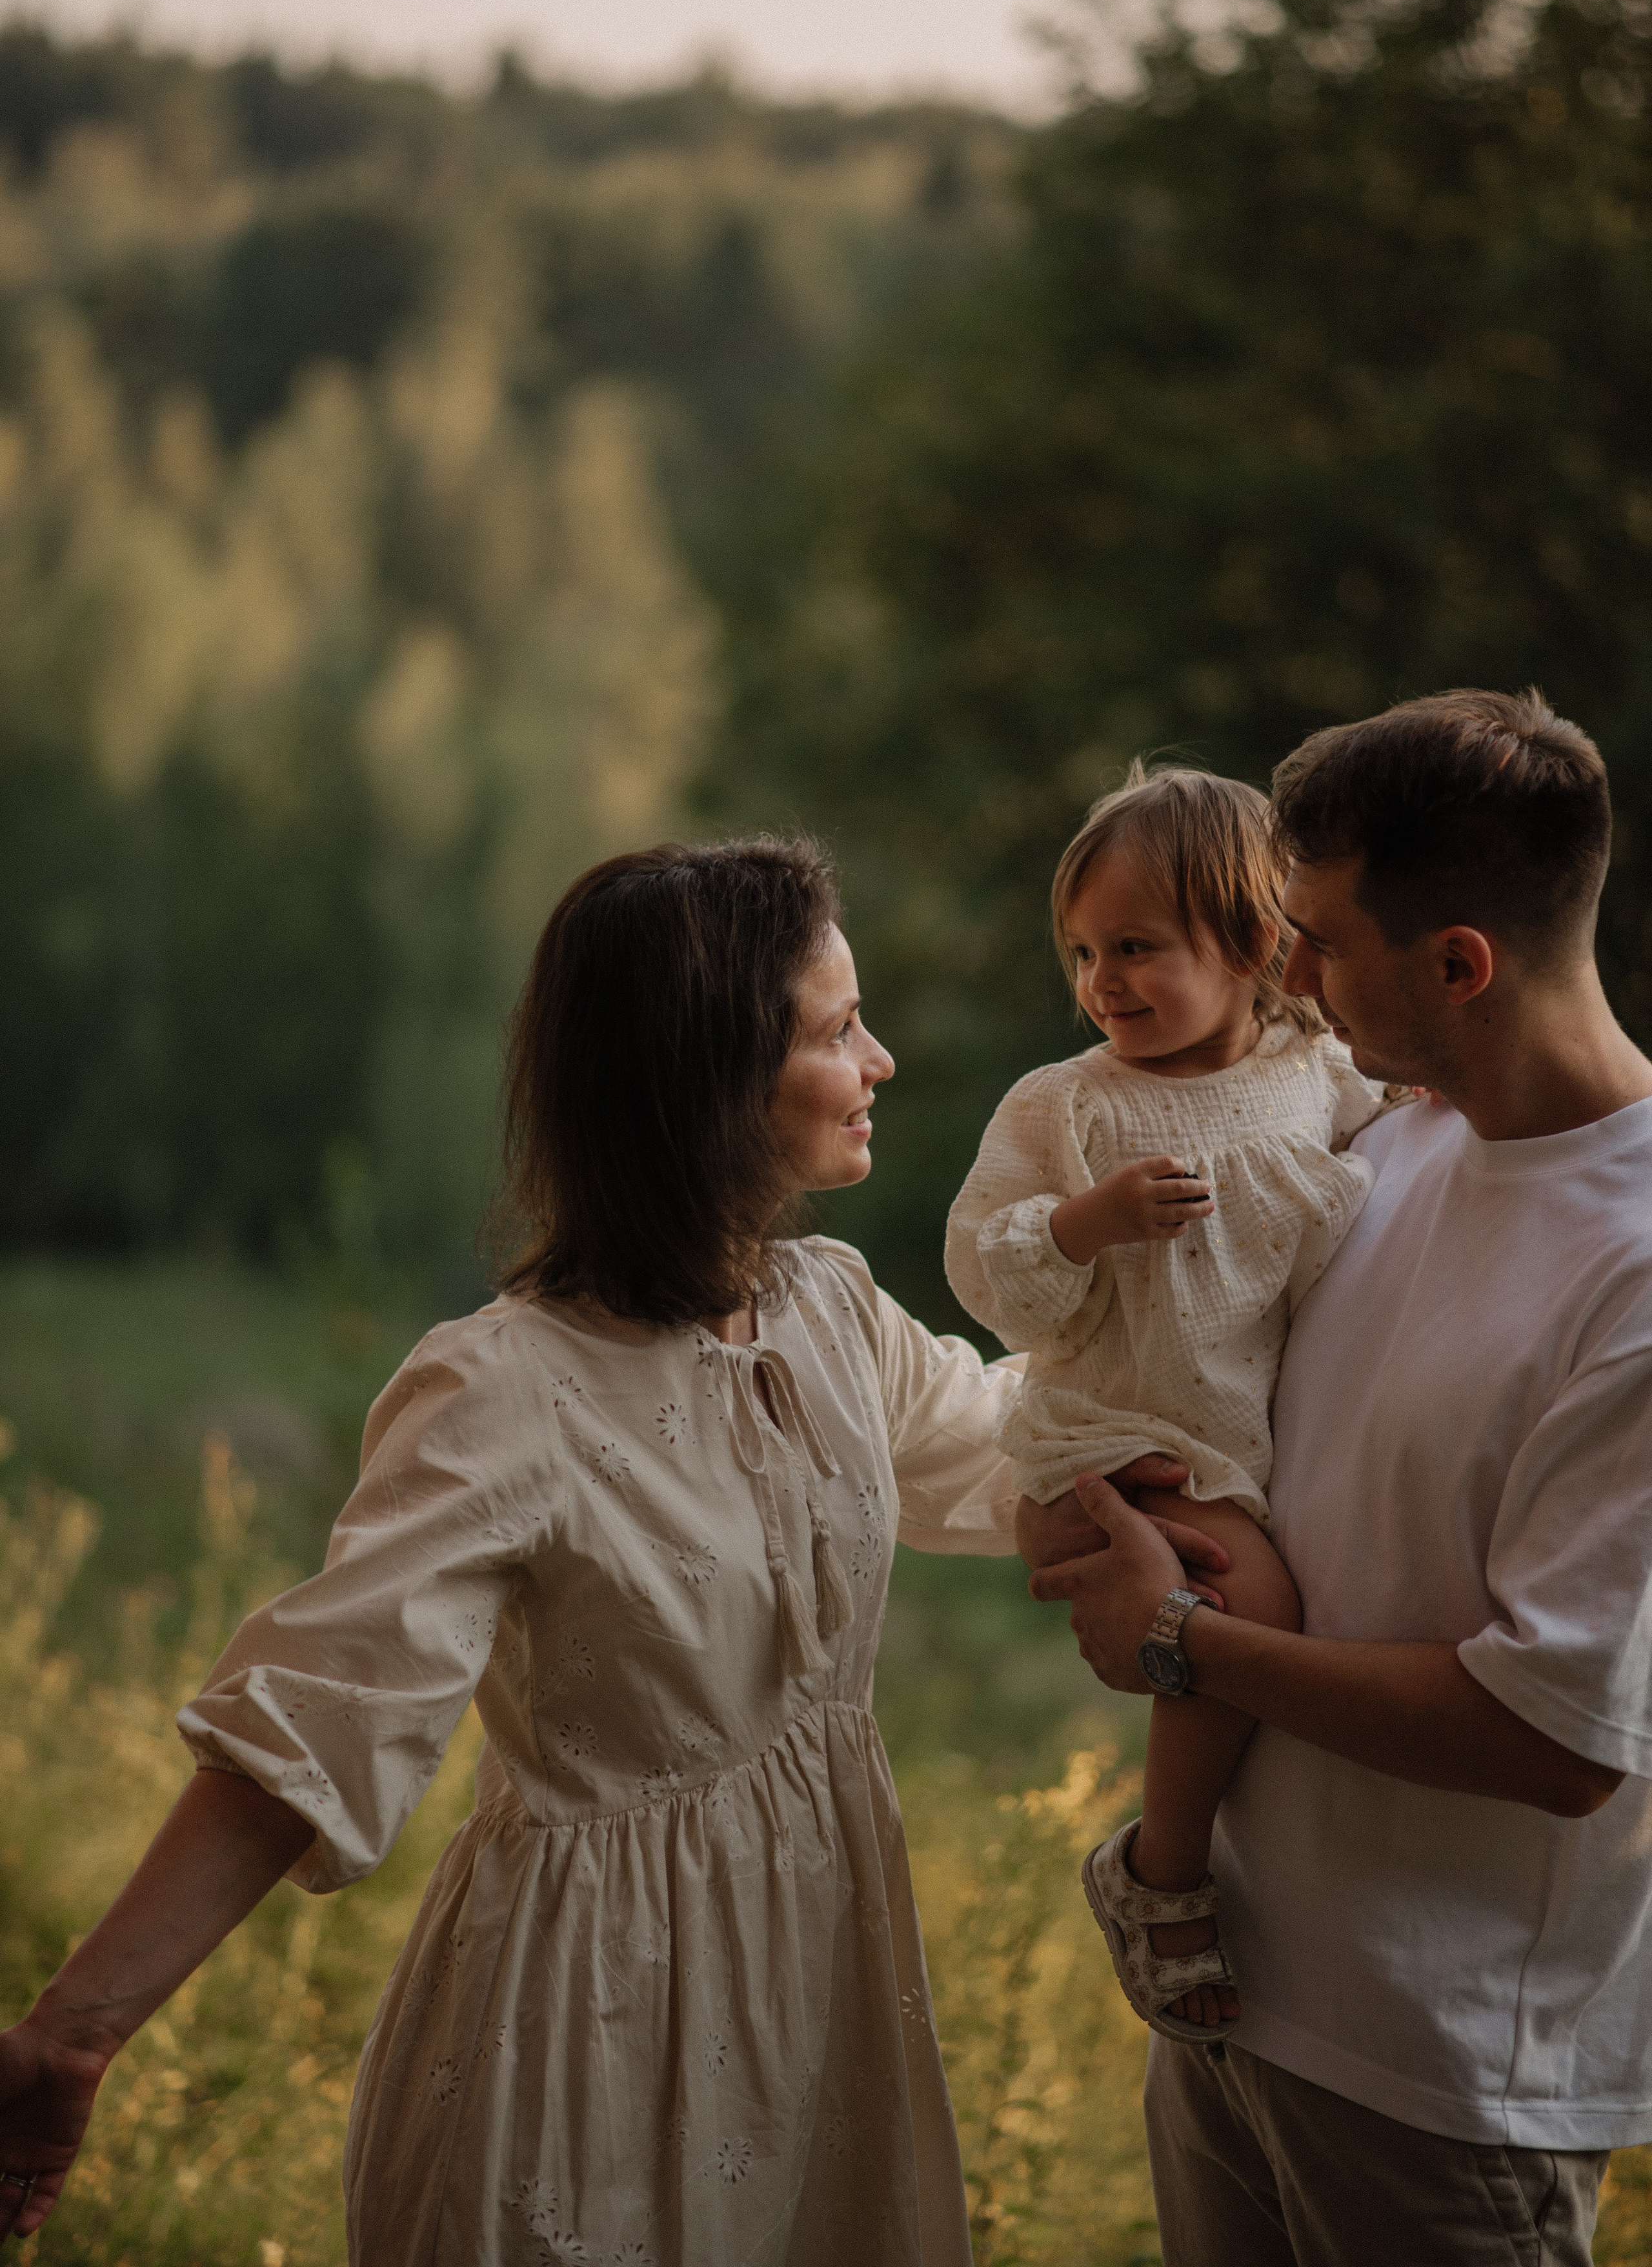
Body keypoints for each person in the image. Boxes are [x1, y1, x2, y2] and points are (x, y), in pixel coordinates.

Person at [0, 837, 1029, 2266]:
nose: (883, 1059)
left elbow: (1021, 1444)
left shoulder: (827, 1312)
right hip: (590, 2034)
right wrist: (74, 2034)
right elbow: (319, 1716)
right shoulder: (505, 1390)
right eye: (836, 1027)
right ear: (710, 1075)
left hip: (817, 1997)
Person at [1020, 689, 1652, 2267]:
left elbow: (1554, 1736)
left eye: (1314, 937)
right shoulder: (1378, 1146)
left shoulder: (1634, 1273)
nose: (1281, 974)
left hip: (1434, 2082)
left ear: (1457, 964)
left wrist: (1180, 1644)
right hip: (1229, 2008)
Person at [945, 766, 1397, 2039]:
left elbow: (1402, 1136)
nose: (1101, 982)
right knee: (1248, 1606)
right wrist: (1080, 1226)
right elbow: (981, 1264)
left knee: (1243, 1606)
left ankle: (1183, 1852)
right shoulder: (1065, 1104)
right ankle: (1162, 1871)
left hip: (1221, 1441)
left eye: (1135, 948)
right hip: (1102, 1438)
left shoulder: (1316, 1072)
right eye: (1082, 953)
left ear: (1253, 943)